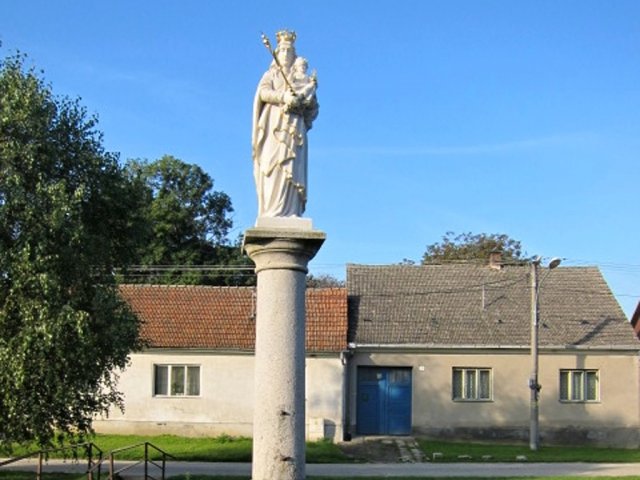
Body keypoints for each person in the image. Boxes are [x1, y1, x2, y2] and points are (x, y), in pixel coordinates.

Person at [252, 30, 319, 218]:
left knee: (293, 168)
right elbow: (263, 93)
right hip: (274, 126)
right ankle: (272, 211)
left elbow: (313, 108)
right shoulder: (271, 75)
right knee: (274, 166)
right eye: (282, 50)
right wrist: (283, 97)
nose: (286, 54)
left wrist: (307, 99)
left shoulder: (300, 77)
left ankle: (292, 210)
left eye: (289, 51)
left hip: (295, 127)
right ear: (276, 53)